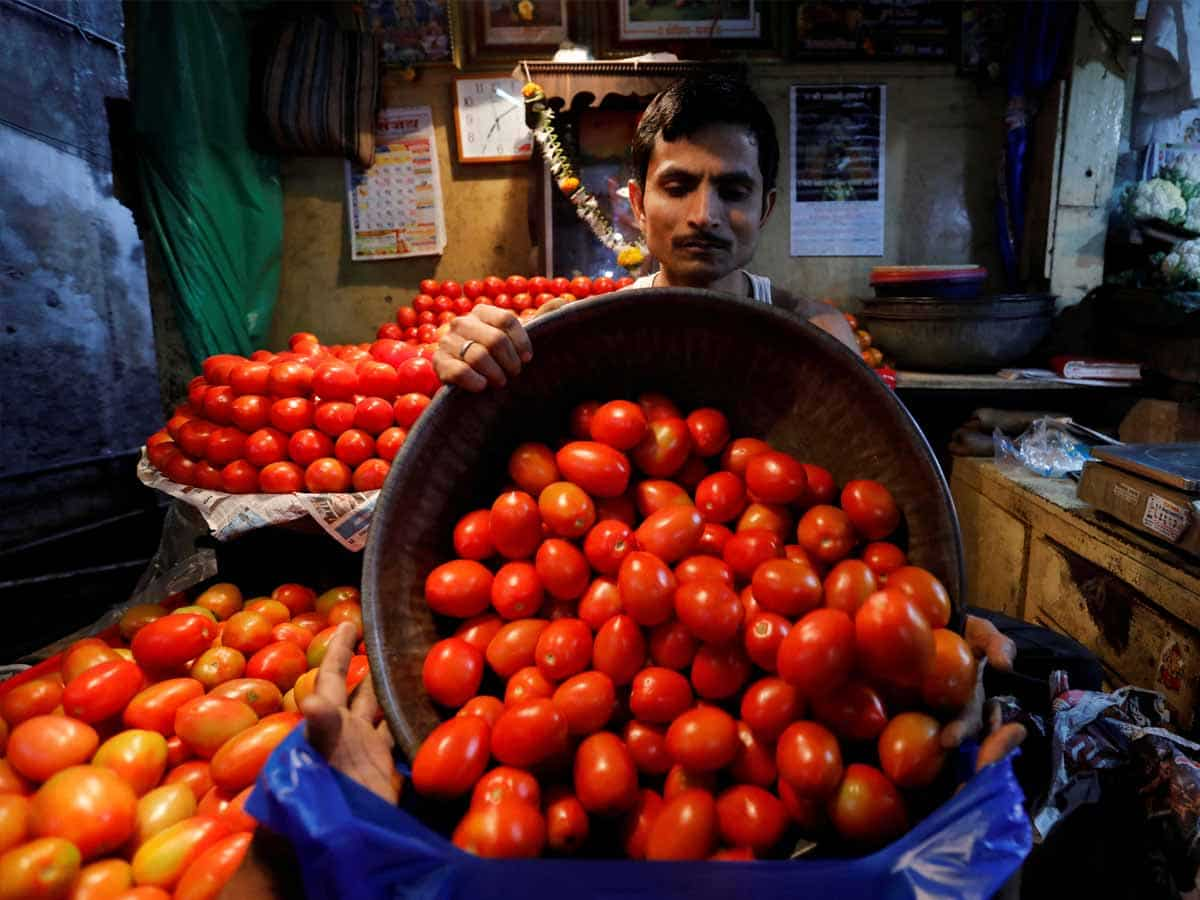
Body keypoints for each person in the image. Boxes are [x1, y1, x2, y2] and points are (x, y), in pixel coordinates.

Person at [432, 74, 859, 392]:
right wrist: (479, 357)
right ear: (637, 204)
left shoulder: (816, 337)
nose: (704, 215)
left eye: (733, 191)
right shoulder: (588, 336)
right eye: (678, 188)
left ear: (764, 208)